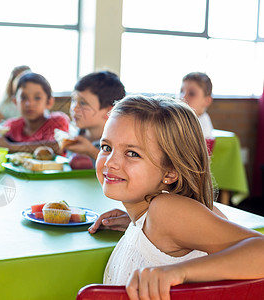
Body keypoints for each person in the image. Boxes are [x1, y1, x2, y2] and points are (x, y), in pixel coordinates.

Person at [89, 95, 264, 300]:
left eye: (132, 153)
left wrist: (179, 272)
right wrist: (135, 221)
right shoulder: (154, 217)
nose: (110, 162)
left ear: (170, 172)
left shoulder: (165, 211)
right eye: (106, 147)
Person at [0, 72, 69, 153]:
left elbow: (58, 146)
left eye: (37, 98)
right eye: (23, 97)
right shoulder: (11, 126)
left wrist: (10, 146)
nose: (29, 103)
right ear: (15, 101)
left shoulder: (57, 121)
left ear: (49, 102)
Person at [65, 71, 125, 160]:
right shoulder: (74, 136)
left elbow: (119, 168)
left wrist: (91, 151)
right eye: (74, 100)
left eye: (82, 103)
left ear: (109, 111)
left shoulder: (120, 142)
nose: (74, 108)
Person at [180, 72, 214, 138]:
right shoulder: (185, 119)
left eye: (191, 94)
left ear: (207, 101)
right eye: (182, 91)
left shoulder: (202, 126)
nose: (183, 97)